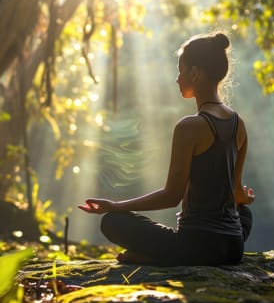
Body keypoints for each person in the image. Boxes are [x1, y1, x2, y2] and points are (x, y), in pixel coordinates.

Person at [78, 32, 255, 266]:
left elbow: (172, 196)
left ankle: (159, 256)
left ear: (195, 73)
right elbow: (236, 194)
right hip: (234, 247)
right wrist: (246, 198)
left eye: (181, 71)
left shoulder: (189, 127)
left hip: (195, 246)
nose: (177, 79)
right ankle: (165, 254)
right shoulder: (238, 124)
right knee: (245, 214)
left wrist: (116, 206)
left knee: (112, 221)